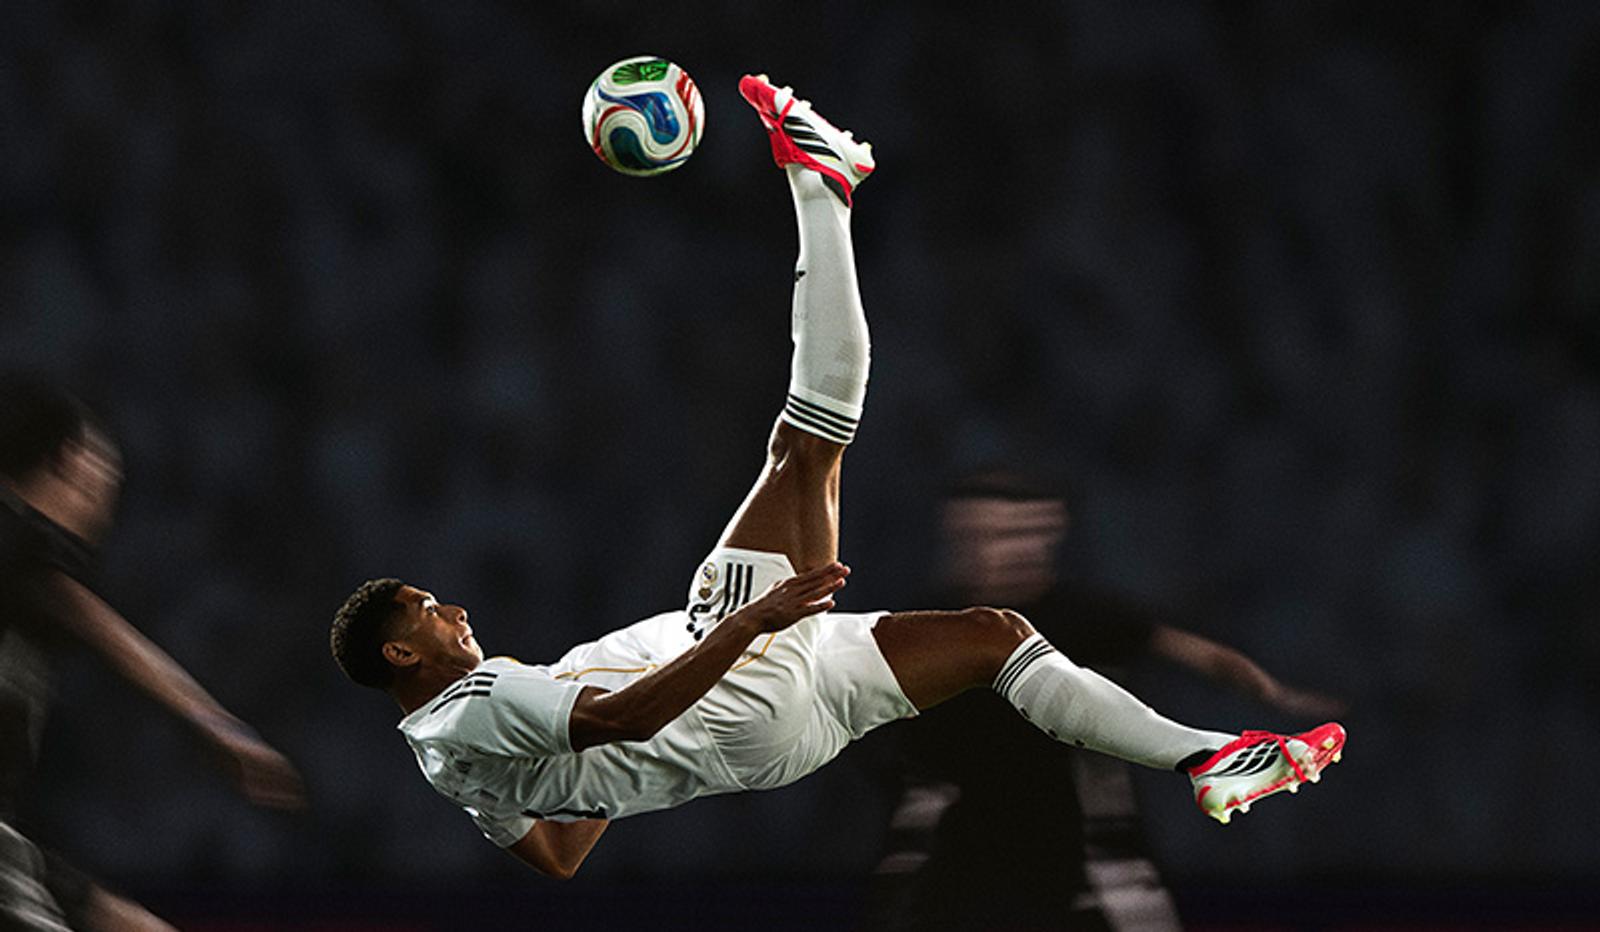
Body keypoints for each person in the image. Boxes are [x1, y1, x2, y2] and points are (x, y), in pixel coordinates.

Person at [329, 75, 1346, 882]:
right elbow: (622, 719)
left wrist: (610, 778)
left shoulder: (454, 766)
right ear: (397, 647)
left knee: (998, 637)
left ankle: (1207, 757)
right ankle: (821, 184)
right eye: (428, 608)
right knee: (804, 444)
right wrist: (747, 623)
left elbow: (553, 854)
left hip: (776, 733)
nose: (453, 608)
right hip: (736, 669)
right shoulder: (471, 702)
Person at [864, 474, 1347, 931]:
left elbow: (1199, 655)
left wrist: (1275, 693)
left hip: (1084, 861)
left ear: (1048, 531)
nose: (992, 549)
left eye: (1012, 533)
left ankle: (1227, 760)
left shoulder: (1087, 618)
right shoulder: (925, 627)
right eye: (978, 534)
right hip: (964, 867)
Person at [0, 374, 306, 931]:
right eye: (108, 474)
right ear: (74, 458)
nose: (108, 506)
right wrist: (215, 725)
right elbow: (83, 613)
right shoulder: (16, 536)